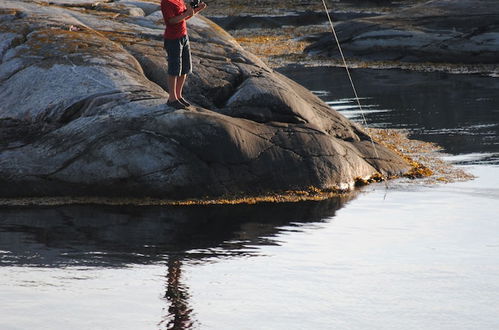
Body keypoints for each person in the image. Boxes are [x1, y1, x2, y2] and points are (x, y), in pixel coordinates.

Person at [161, 0, 207, 109]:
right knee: (174, 68)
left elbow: (184, 17)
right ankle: (172, 99)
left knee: (185, 68)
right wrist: (187, 13)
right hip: (173, 39)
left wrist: (197, 9)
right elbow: (170, 21)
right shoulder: (166, 2)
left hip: (183, 36)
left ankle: (178, 95)